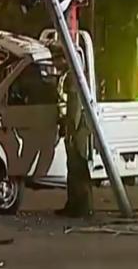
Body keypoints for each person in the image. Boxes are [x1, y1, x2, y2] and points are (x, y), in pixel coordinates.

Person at [55, 72, 94, 219]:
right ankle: (75, 204)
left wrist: (71, 131)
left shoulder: (74, 77)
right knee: (74, 168)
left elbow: (74, 107)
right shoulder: (72, 75)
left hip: (78, 130)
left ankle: (82, 207)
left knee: (78, 166)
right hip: (78, 128)